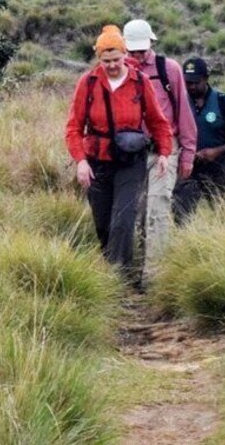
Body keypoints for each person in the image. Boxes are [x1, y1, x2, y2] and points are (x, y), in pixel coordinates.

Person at [65, 25, 173, 286]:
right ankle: (111, 268)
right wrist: (80, 161)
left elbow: (158, 121)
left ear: (125, 55)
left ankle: (117, 282)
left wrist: (164, 153)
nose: (112, 66)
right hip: (97, 162)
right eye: (106, 61)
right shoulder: (88, 83)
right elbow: (73, 127)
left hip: (129, 163)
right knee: (103, 225)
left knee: (123, 221)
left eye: (116, 60)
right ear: (98, 59)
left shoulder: (140, 82)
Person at [122, 19, 197, 276]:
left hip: (164, 151)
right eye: (132, 51)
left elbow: (184, 113)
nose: (137, 55)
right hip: (130, 154)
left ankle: (154, 277)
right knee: (137, 211)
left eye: (141, 50)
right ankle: (135, 269)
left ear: (152, 43)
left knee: (159, 207)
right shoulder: (117, 71)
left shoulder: (169, 70)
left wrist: (187, 154)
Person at [172, 57, 225, 224]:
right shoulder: (178, 103)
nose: (191, 87)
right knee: (181, 217)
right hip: (187, 169)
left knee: (224, 216)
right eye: (187, 82)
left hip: (219, 168)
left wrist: (217, 151)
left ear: (206, 78)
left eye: (196, 82)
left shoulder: (223, 102)